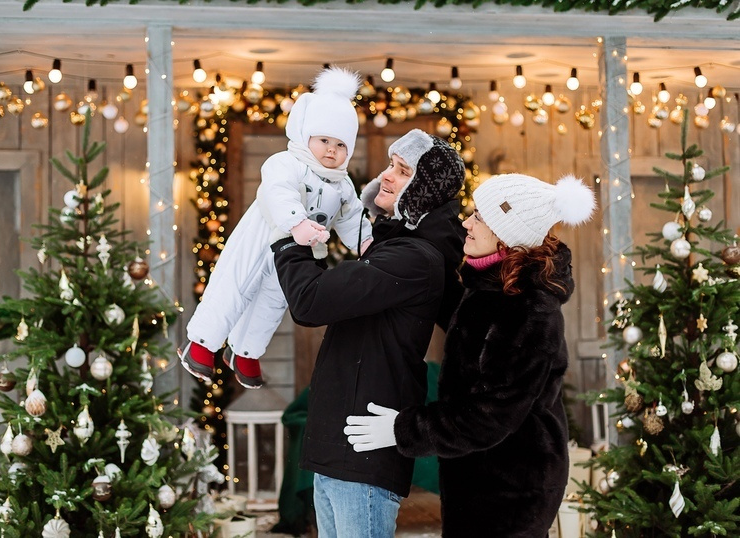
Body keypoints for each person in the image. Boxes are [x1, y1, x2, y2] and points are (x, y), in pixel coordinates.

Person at [345, 173, 596, 537]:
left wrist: (403, 429)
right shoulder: (489, 289)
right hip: (480, 479)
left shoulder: (529, 310)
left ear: (506, 235)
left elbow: (491, 415)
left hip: (513, 490)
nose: (467, 221)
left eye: (479, 216)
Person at [272, 128, 466, 538]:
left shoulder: (413, 257)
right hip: (340, 447)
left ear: (423, 191)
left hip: (362, 451)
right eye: (390, 166)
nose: (387, 176)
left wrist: (287, 238)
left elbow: (310, 301)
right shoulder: (396, 246)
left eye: (402, 171)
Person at [181, 67, 372, 389]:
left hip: (294, 253)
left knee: (272, 303)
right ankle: (201, 343)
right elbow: (278, 191)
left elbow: (351, 215)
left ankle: (245, 353)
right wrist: (296, 222)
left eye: (341, 145)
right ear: (305, 136)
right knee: (235, 288)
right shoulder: (288, 162)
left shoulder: (342, 183)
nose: (331, 150)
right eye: (324, 140)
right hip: (261, 239)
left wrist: (365, 241)